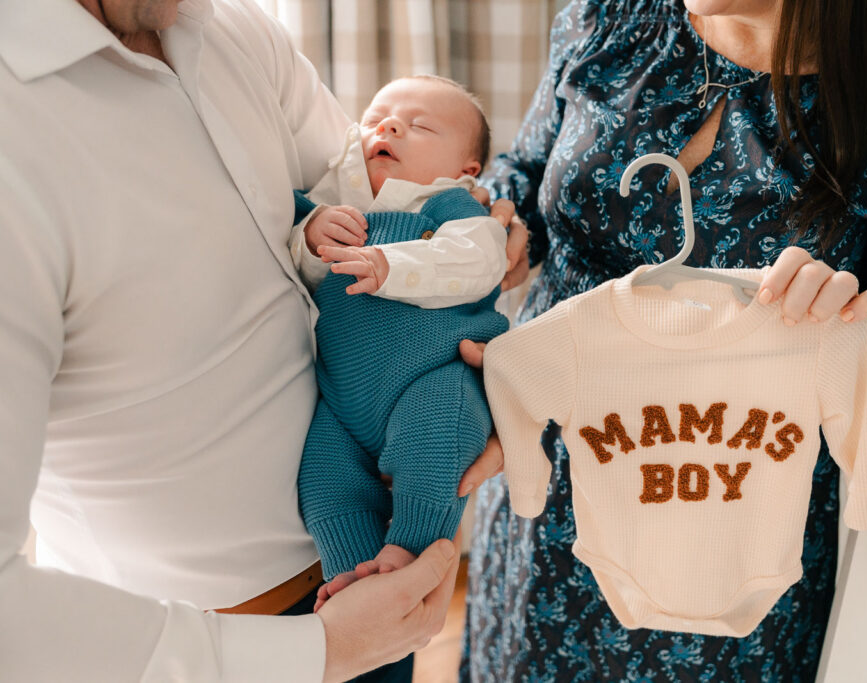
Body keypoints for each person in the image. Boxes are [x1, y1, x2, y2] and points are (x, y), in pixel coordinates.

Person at [0, 1, 527, 681]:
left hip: (370, 583)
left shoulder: (227, 31)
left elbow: (362, 188)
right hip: (208, 649)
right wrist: (314, 653)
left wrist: (483, 233)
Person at [460, 0, 867, 681]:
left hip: (727, 512)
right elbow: (529, 168)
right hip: (550, 467)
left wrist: (843, 308)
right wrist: (496, 221)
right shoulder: (606, 20)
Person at [291, 75, 509, 600]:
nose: (388, 126)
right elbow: (292, 260)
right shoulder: (333, 203)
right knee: (322, 482)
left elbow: (482, 261)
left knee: (433, 448)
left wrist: (391, 264)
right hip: (342, 404)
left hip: (433, 379)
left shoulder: (450, 208)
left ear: (466, 171)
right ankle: (351, 570)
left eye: (420, 126)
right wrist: (310, 233)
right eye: (375, 120)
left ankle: (409, 551)